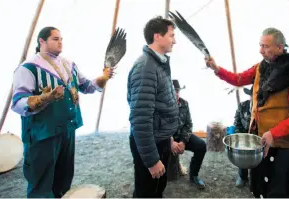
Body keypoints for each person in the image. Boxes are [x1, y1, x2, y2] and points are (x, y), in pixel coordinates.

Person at [205, 27, 289, 197]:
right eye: (260, 45)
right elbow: (239, 79)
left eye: (265, 46)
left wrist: (275, 133)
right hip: (262, 141)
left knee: (281, 191)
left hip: (286, 146)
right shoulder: (261, 67)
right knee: (261, 189)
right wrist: (217, 69)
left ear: (280, 48)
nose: (260, 50)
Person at [11, 26, 113, 198]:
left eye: (61, 39)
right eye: (55, 39)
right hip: (42, 134)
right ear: (41, 41)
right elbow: (18, 102)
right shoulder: (29, 68)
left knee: (64, 178)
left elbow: (86, 86)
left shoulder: (68, 65)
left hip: (67, 129)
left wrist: (102, 78)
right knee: (41, 184)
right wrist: (45, 98)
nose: (60, 42)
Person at [127, 16, 178, 198]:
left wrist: (168, 136)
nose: (175, 40)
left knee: (157, 188)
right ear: (158, 36)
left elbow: (161, 105)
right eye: (172, 35)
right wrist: (151, 160)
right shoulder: (145, 68)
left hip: (160, 138)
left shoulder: (159, 63)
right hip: (150, 143)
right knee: (146, 192)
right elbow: (140, 119)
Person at [169, 79, 207, 189]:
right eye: (172, 90)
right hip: (166, 139)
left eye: (177, 90)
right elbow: (160, 128)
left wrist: (183, 142)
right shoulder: (163, 105)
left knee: (201, 145)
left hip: (181, 136)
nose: (175, 93)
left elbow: (188, 125)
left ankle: (194, 175)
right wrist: (170, 142)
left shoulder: (184, 104)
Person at [233, 87, 253, 187]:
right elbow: (237, 122)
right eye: (252, 95)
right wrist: (240, 137)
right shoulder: (242, 105)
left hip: (258, 137)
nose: (253, 98)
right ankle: (242, 176)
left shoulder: (263, 108)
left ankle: (256, 176)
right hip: (244, 135)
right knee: (241, 150)